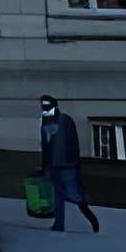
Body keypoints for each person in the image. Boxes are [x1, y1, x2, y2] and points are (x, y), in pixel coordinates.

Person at [37, 96, 99, 232]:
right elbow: (46, 146)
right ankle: (59, 224)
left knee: (72, 194)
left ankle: (91, 221)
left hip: (65, 164)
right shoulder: (51, 121)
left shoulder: (63, 120)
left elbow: (70, 144)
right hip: (58, 163)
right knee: (61, 195)